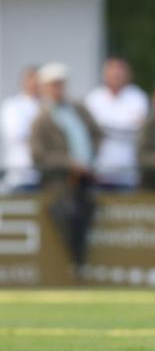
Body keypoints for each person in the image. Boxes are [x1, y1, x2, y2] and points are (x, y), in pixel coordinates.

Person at [29, 63, 101, 275]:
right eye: (52, 85)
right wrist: (68, 163)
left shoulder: (78, 110)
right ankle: (74, 265)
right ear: (44, 88)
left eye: (60, 84)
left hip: (85, 178)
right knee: (68, 215)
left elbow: (96, 134)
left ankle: (80, 263)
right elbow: (39, 156)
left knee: (88, 212)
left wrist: (88, 159)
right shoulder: (41, 119)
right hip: (60, 181)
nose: (57, 89)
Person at [84, 57, 149, 189]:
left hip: (128, 170)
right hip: (99, 169)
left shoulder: (138, 98)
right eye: (112, 70)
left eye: (120, 70)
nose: (116, 74)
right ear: (104, 74)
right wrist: (124, 126)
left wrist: (105, 127)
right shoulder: (93, 98)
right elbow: (89, 131)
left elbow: (138, 128)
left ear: (128, 74)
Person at [1, 66, 42, 192]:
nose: (34, 83)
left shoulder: (46, 105)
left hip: (45, 174)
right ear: (22, 82)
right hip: (21, 173)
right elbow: (17, 133)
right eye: (31, 78)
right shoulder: (12, 105)